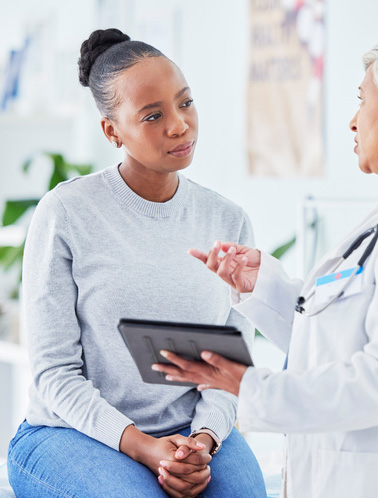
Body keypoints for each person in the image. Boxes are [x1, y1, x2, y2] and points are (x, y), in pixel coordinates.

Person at [153, 31, 378, 498]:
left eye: (362, 100)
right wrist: (262, 287)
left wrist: (251, 386)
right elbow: (336, 341)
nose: (353, 121)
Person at [7, 28, 266, 498]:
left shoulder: (228, 219)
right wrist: (144, 446)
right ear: (112, 130)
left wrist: (203, 440)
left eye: (185, 103)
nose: (179, 125)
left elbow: (229, 365)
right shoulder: (67, 212)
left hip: (193, 431)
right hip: (70, 434)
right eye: (153, 115)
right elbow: (53, 374)